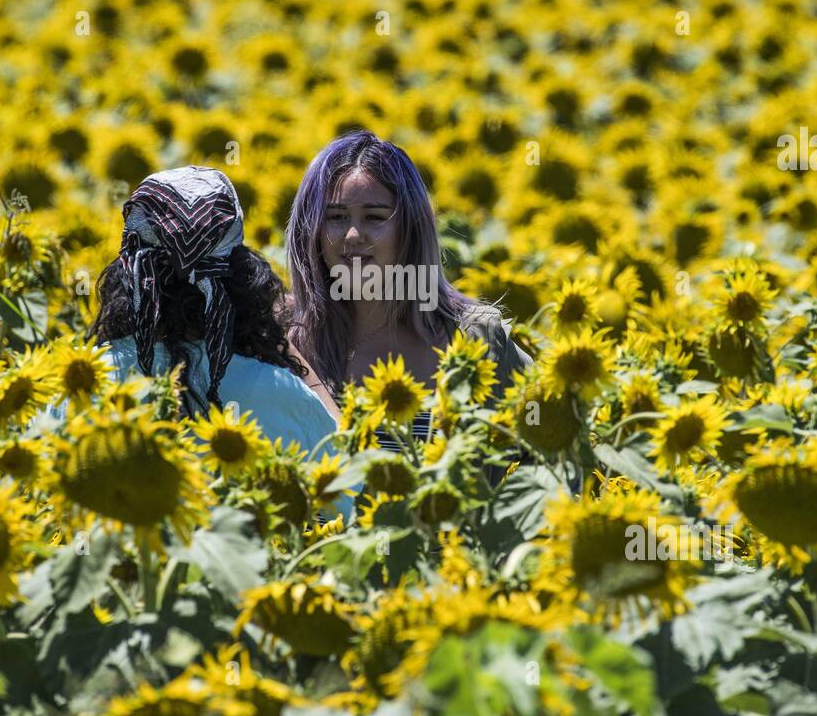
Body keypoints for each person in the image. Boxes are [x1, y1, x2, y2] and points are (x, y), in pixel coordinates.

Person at [87, 165, 349, 520]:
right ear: (242, 277)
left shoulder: (87, 384)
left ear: (126, 276)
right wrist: (291, 360)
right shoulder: (280, 393)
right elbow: (346, 502)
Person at [284, 130, 533, 453]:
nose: (353, 234)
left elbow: (553, 448)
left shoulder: (476, 340)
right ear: (312, 229)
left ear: (410, 227)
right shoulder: (283, 337)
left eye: (374, 217)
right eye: (336, 217)